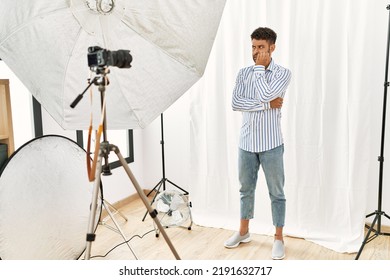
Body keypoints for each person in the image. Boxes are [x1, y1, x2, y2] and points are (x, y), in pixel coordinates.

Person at [225, 27, 291, 260]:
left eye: (261, 47)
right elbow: (236, 103)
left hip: (271, 143)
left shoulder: (283, 73)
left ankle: (278, 238)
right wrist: (266, 105)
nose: (256, 52)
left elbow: (262, 94)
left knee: (277, 192)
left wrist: (261, 70)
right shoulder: (243, 73)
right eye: (253, 47)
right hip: (246, 142)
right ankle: (243, 232)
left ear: (272, 48)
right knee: (245, 189)